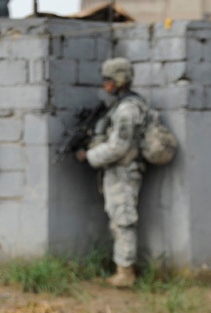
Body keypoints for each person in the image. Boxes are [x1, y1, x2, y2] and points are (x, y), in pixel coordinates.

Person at [75, 57, 148, 289]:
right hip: (117, 171)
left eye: (109, 80)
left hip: (124, 171)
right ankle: (122, 268)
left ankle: (126, 272)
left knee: (123, 218)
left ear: (120, 80)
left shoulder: (127, 109)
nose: (105, 85)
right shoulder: (120, 105)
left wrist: (90, 156)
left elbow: (119, 146)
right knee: (117, 217)